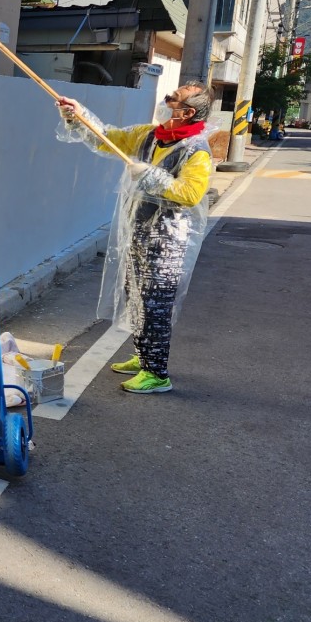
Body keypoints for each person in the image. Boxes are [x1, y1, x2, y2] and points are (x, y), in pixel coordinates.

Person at [56, 82, 214, 394]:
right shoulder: (151, 135)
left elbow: (191, 193)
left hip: (166, 240)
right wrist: (77, 115)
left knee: (155, 305)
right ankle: (144, 356)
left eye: (176, 98)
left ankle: (156, 373)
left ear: (188, 112)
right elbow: (107, 138)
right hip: (139, 231)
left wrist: (150, 175)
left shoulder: (197, 150)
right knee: (137, 298)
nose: (169, 98)